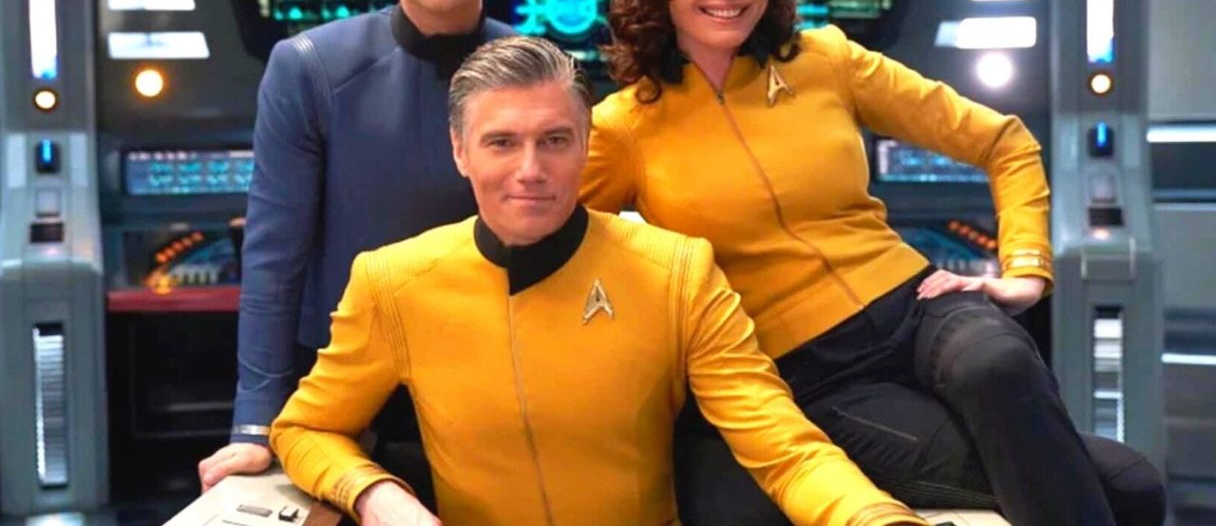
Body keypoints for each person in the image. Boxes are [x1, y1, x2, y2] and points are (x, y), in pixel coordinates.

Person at [581, 0, 1165, 526]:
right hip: (812, 371)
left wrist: (1027, 270)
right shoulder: (623, 127)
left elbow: (1005, 142)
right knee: (1130, 487)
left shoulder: (825, 58)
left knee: (999, 363)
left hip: (919, 304)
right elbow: (567, 254)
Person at [270, 35, 929, 526]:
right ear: (460, 150)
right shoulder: (392, 282)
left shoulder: (677, 271)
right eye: (502, 143)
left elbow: (784, 447)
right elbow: (304, 429)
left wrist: (874, 518)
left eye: (555, 140)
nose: (531, 169)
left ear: (586, 145)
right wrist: (376, 495)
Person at [197, 0, 513, 496]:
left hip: (498, 386)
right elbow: (274, 257)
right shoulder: (309, 68)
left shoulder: (536, 71)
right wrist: (254, 424)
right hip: (345, 395)